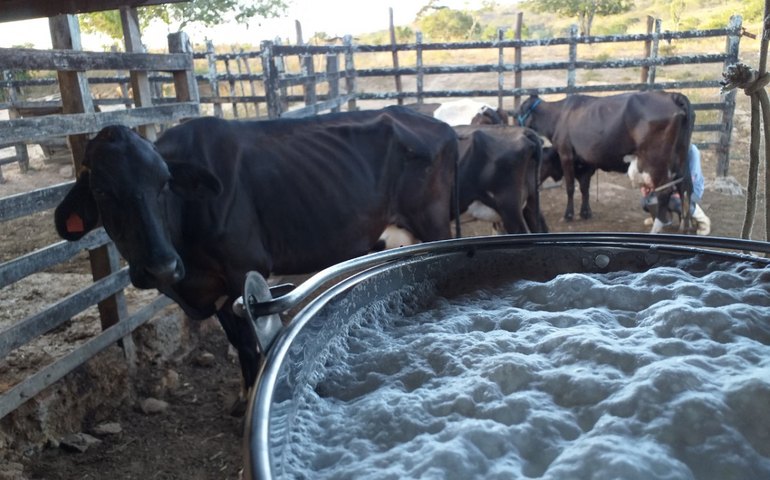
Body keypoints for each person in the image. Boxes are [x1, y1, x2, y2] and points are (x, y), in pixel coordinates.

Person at [630, 144, 711, 235]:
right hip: (672, 187)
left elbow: (690, 179)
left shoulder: (692, 151)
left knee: (675, 201)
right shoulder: (665, 149)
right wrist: (647, 187)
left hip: (692, 189)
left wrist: (672, 192)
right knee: (647, 201)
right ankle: (663, 218)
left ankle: (703, 222)